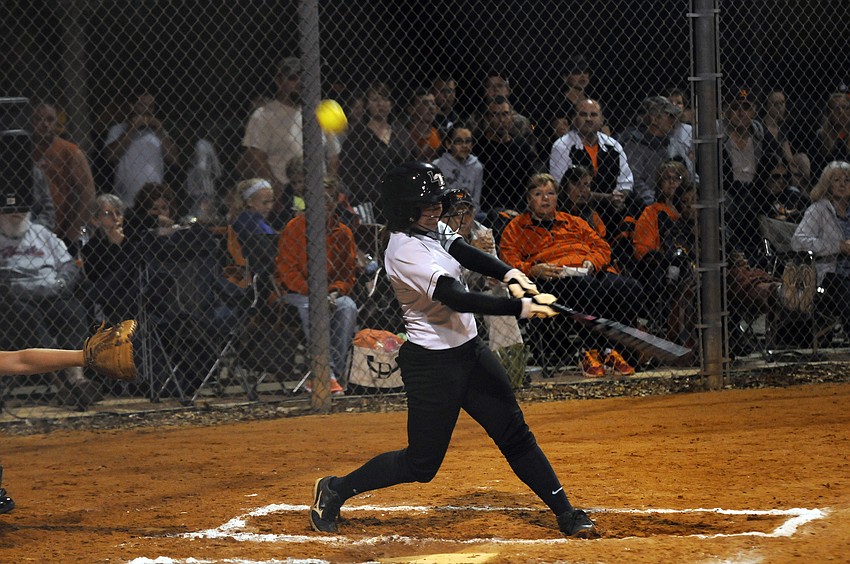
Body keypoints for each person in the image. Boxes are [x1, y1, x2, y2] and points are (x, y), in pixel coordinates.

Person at [308, 162, 598, 539]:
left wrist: (509, 274)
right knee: (421, 464)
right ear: (403, 209)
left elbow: (463, 250)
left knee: (515, 435)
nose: (437, 210)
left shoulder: (427, 226)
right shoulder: (404, 250)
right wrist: (521, 307)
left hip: (470, 353)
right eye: (426, 204)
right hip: (433, 366)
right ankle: (335, 489)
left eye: (435, 202)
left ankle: (567, 513)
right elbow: (456, 298)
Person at [499, 173, 642, 376]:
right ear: (529, 198)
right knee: (586, 287)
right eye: (538, 194)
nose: (545, 198)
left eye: (550, 193)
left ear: (558, 197)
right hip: (550, 280)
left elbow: (602, 247)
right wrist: (532, 269)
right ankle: (589, 351)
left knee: (630, 287)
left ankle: (612, 351)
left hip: (588, 271)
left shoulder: (573, 222)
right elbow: (508, 261)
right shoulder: (516, 228)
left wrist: (593, 262)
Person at [0, 186, 100, 409]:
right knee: (30, 320)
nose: (16, 214)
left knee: (73, 312)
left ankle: (77, 378)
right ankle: (60, 382)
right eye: (10, 210)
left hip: (52, 292)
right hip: (16, 296)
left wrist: (60, 283)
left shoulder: (40, 233)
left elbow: (68, 264)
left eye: (21, 210)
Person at [276, 177, 356, 396]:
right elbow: (287, 272)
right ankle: (324, 374)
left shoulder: (343, 232)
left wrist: (334, 291)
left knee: (347, 306)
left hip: (329, 293)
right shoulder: (294, 228)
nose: (326, 203)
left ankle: (331, 373)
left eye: (330, 199)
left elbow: (347, 275)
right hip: (298, 294)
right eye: (321, 199)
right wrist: (316, 294)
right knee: (311, 307)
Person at [240, 57, 340, 206]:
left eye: (302, 78)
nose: (299, 83)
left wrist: (329, 184)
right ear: (279, 81)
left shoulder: (319, 111)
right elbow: (255, 156)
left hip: (318, 192)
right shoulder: (264, 115)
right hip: (286, 192)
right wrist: (275, 186)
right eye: (292, 78)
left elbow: (334, 155)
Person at [549, 98, 633, 230]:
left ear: (602, 119)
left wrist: (619, 197)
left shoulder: (613, 145)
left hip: (612, 210)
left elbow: (626, 181)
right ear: (574, 119)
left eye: (593, 115)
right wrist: (608, 198)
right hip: (576, 212)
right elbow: (562, 188)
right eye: (583, 114)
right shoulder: (561, 146)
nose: (588, 119)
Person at [719, 88, 782, 264]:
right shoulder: (719, 133)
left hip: (756, 190)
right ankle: (743, 253)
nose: (740, 112)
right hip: (727, 190)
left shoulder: (759, 132)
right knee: (740, 205)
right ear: (727, 111)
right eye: (735, 107)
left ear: (753, 111)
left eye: (746, 107)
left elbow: (777, 158)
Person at [791, 160, 850, 337]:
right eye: (836, 180)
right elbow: (797, 241)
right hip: (829, 275)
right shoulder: (818, 210)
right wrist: (837, 246)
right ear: (827, 184)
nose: (842, 184)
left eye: (846, 180)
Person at [339, 81, 413, 224]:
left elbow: (412, 162)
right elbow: (348, 172)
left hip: (400, 201)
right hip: (368, 203)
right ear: (366, 104)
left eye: (385, 99)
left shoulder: (401, 133)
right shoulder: (358, 135)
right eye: (375, 100)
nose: (381, 104)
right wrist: (375, 193)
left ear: (391, 103)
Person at [30, 102, 96, 255]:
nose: (44, 124)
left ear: (57, 122)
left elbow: (87, 191)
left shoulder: (69, 151)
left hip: (62, 230)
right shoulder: (23, 151)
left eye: (50, 119)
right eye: (38, 119)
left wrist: (74, 228)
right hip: (30, 229)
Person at [104, 91, 179, 207]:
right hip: (126, 201)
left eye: (151, 106)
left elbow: (174, 158)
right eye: (142, 105)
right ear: (132, 106)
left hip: (154, 201)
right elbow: (111, 155)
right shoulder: (118, 130)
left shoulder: (158, 133)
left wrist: (159, 130)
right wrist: (132, 128)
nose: (147, 110)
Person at [619, 96, 693, 211]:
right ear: (655, 119)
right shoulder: (635, 144)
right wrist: (656, 205)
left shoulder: (670, 142)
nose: (674, 121)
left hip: (670, 203)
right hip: (644, 208)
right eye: (670, 116)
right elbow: (635, 182)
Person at [474, 95, 537, 218]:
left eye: (505, 114)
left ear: (511, 116)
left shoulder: (521, 146)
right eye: (495, 115)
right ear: (487, 117)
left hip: (518, 209)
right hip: (486, 211)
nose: (501, 119)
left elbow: (528, 181)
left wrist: (518, 209)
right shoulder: (477, 147)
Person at [761, 88, 811, 190]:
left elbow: (788, 157)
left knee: (802, 158)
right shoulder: (761, 126)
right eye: (775, 104)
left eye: (782, 103)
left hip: (783, 164)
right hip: (768, 167)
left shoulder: (781, 127)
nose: (780, 107)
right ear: (766, 106)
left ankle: (807, 190)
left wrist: (795, 170)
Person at [432, 126, 484, 213]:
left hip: (468, 213)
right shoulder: (437, 165)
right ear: (448, 144)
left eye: (468, 141)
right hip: (444, 213)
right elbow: (435, 197)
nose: (464, 145)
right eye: (459, 141)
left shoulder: (477, 167)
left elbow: (476, 201)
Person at [808, 92, 850, 182]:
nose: (841, 112)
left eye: (845, 108)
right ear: (828, 113)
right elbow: (815, 173)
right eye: (836, 108)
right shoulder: (820, 137)